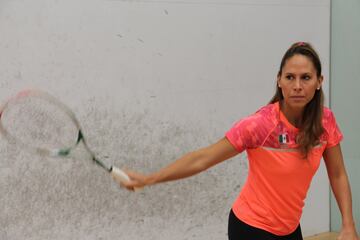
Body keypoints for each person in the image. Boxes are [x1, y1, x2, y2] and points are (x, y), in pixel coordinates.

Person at [117, 42, 359, 240]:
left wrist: (348, 224)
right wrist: (150, 179)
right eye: (290, 77)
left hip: (289, 230)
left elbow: (337, 174)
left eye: (306, 77)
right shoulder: (259, 125)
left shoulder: (325, 122)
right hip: (251, 228)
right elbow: (203, 158)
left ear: (319, 82)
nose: (297, 86)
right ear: (279, 81)